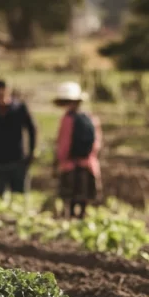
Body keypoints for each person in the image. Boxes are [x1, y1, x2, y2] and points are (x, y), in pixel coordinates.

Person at [53, 82, 102, 219]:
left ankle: (70, 220)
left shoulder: (67, 119)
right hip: (88, 164)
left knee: (70, 196)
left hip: (70, 165)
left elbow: (64, 143)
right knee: (84, 196)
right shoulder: (91, 118)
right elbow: (97, 143)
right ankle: (82, 218)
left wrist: (59, 161)